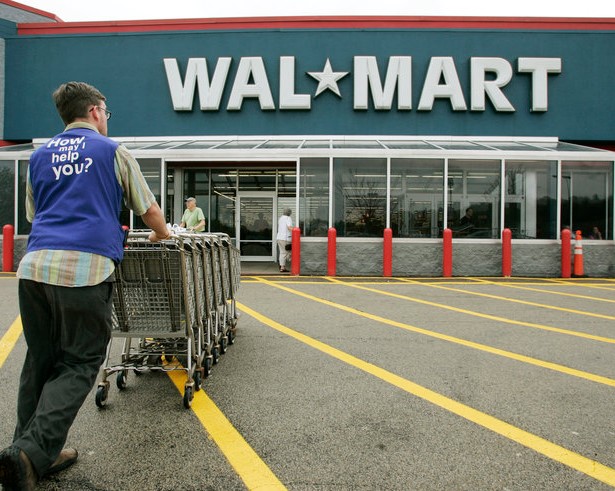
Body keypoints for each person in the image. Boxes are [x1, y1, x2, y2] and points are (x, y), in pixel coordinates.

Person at [0, 81, 170, 491]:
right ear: (95, 110)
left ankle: (29, 452)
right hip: (84, 268)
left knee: (40, 362)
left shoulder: (39, 157)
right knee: (80, 361)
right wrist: (161, 234)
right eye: (107, 113)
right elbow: (148, 209)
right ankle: (29, 454)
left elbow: (35, 212)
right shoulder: (111, 152)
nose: (107, 119)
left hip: (36, 267)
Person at [276, 208, 293, 272]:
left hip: (279, 238)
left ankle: (282, 267)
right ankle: (290, 260)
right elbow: (289, 227)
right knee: (289, 252)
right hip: (285, 238)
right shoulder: (288, 218)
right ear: (289, 213)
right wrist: (296, 230)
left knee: (282, 252)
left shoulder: (280, 218)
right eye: (290, 212)